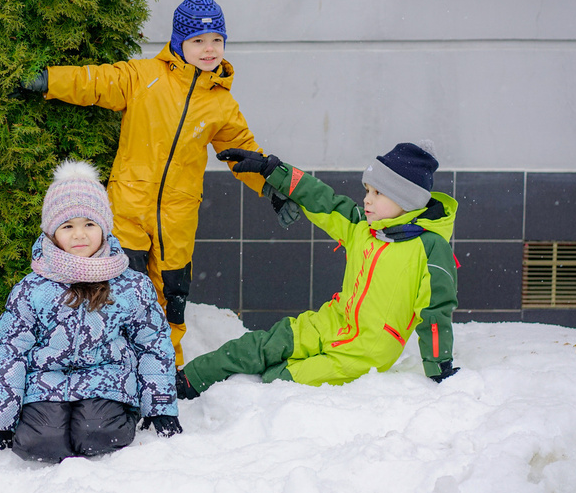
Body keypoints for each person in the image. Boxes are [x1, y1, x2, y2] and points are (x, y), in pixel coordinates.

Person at [19, 0, 272, 363]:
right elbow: (95, 81)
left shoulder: (221, 104)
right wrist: (49, 81)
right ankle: (119, 363)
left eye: (217, 40)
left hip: (178, 216)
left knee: (172, 295)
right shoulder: (142, 77)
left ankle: (167, 367)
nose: (209, 49)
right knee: (121, 290)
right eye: (199, 41)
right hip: (128, 207)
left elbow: (243, 151)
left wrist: (274, 185)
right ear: (178, 42)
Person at [183, 144, 458, 395]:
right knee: (259, 347)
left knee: (278, 380)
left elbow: (435, 310)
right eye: (367, 191)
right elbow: (322, 199)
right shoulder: (362, 228)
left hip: (364, 353)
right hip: (330, 324)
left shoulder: (430, 247)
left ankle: (236, 390)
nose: (367, 200)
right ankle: (186, 380)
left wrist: (439, 366)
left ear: (406, 199)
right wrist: (272, 169)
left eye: (378, 193)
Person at [0, 162, 181, 463]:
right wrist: (0, 416)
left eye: (89, 224)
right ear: (52, 233)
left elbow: (153, 343)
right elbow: (9, 349)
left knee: (97, 433)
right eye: (67, 226)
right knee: (39, 442)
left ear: (104, 228)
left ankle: (110, 419)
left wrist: (160, 405)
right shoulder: (32, 288)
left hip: (107, 380)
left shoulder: (131, 285)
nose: (79, 235)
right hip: (46, 382)